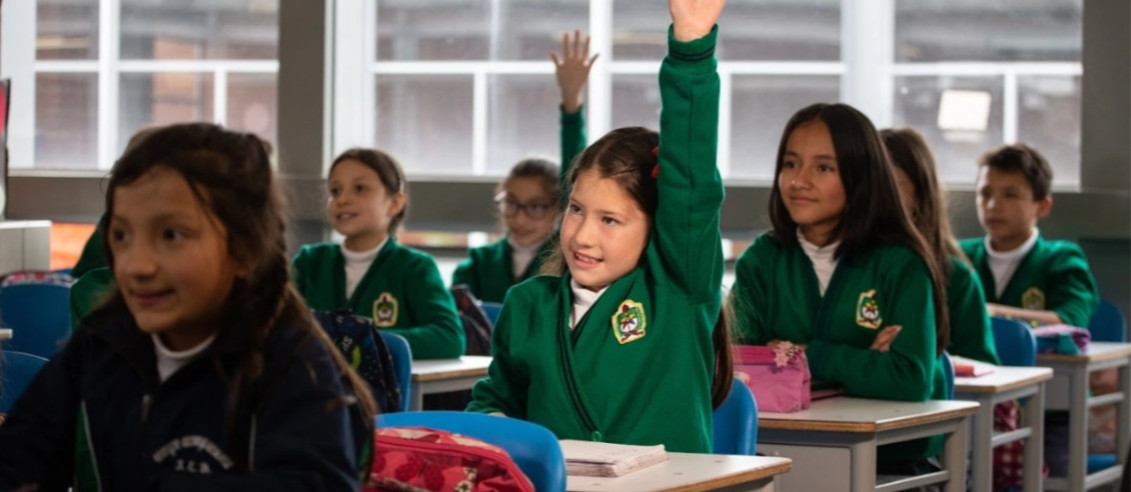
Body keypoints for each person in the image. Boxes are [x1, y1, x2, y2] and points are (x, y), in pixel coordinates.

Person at [0, 123, 375, 490]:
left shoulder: (295, 368)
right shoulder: (103, 342)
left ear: (245, 251)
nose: (136, 264)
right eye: (121, 235)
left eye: (172, 235)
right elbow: (21, 457)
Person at [468, 0, 732, 454]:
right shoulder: (527, 304)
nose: (583, 235)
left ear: (659, 228)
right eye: (576, 210)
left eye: (610, 219)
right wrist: (497, 424)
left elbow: (691, 181)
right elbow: (495, 397)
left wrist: (690, 49)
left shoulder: (675, 291)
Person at [731, 103, 949, 466]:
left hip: (887, 460)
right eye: (790, 164)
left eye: (823, 168)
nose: (799, 181)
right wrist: (864, 363)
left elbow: (909, 378)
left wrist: (803, 355)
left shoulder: (900, 263)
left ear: (862, 177)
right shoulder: (761, 260)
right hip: (780, 451)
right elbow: (741, 368)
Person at [452, 30, 597, 304]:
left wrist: (571, 103)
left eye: (536, 207)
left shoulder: (567, 258)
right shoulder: (477, 265)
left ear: (560, 207)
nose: (520, 219)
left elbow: (575, 171)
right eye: (512, 204)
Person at [292, 148, 465, 359]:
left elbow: (449, 337)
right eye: (335, 191)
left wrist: (365, 340)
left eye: (360, 188)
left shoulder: (415, 267)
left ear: (395, 203)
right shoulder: (310, 262)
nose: (343, 199)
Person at [881, 127, 999, 365]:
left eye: (890, 187)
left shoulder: (956, 276)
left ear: (919, 195)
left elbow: (982, 367)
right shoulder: (838, 263)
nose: (874, 198)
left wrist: (918, 359)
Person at [960, 143, 1099, 328]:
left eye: (1010, 195)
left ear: (1042, 207)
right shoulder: (956, 256)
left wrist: (992, 313)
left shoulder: (1062, 260)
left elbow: (1069, 321)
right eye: (985, 194)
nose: (993, 205)